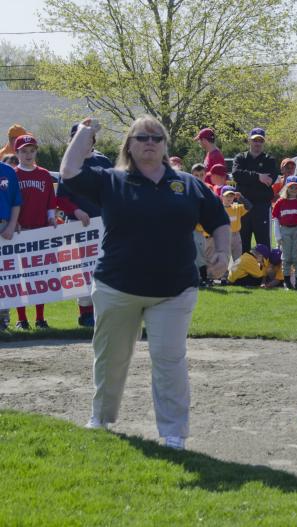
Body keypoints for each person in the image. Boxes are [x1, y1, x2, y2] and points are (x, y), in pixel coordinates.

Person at [60, 116, 230, 450]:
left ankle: (173, 433)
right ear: (129, 144)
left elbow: (218, 218)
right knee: (111, 357)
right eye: (141, 137)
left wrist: (223, 252)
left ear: (166, 145)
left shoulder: (188, 184)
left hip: (174, 290)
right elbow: (69, 172)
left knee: (170, 360)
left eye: (156, 138)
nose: (149, 142)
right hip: (116, 288)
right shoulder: (110, 180)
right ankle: (101, 417)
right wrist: (84, 134)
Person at [56, 123, 114, 327]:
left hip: (102, 225)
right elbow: (61, 199)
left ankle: (103, 311)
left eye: (86, 138)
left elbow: (113, 191)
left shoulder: (103, 161)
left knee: (104, 268)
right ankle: (85, 313)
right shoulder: (70, 163)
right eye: (76, 138)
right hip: (78, 226)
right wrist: (76, 210)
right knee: (81, 272)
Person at [14, 135, 57, 330]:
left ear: (36, 152)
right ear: (17, 153)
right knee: (19, 277)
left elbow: (50, 200)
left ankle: (40, 318)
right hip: (19, 232)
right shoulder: (13, 174)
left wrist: (51, 217)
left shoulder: (44, 174)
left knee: (40, 277)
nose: (28, 154)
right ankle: (21, 319)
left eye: (31, 150)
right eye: (24, 151)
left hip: (40, 231)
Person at [232, 128, 277, 253]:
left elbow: (269, 180)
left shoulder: (269, 160)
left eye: (260, 140)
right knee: (243, 244)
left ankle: (264, 272)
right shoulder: (241, 158)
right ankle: (243, 272)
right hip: (242, 207)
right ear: (249, 141)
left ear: (263, 142)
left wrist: (247, 179)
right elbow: (236, 174)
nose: (257, 143)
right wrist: (259, 177)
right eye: (255, 140)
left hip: (261, 207)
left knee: (263, 244)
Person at [272, 175, 297, 289]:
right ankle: (286, 281)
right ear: (286, 188)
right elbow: (276, 219)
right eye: (291, 187)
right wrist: (277, 235)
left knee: (296, 257)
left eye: (296, 188)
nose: (293, 190)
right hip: (285, 230)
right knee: (286, 257)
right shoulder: (280, 202)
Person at [0, 159, 21, 331]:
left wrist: (12, 225)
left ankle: (2, 319)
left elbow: (16, 201)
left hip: (3, 225)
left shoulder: (8, 171)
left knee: (5, 275)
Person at [220, 186, 252, 268]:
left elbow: (249, 206)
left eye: (231, 196)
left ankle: (236, 275)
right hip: (224, 236)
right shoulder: (219, 208)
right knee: (224, 257)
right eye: (227, 196)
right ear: (222, 196)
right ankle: (224, 276)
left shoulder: (237, 207)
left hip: (236, 235)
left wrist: (240, 197)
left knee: (237, 258)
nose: (229, 198)